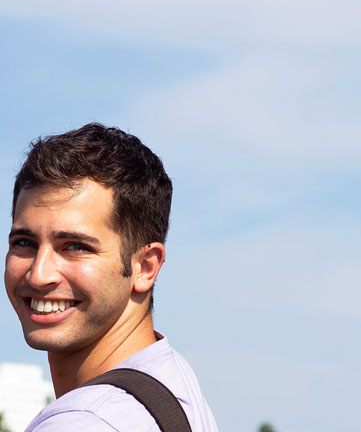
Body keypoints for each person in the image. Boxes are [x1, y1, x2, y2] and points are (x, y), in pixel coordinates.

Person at [4, 123, 218, 431]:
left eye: (76, 247)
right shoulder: (169, 381)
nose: (39, 275)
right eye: (24, 243)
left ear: (145, 267)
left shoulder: (86, 422)